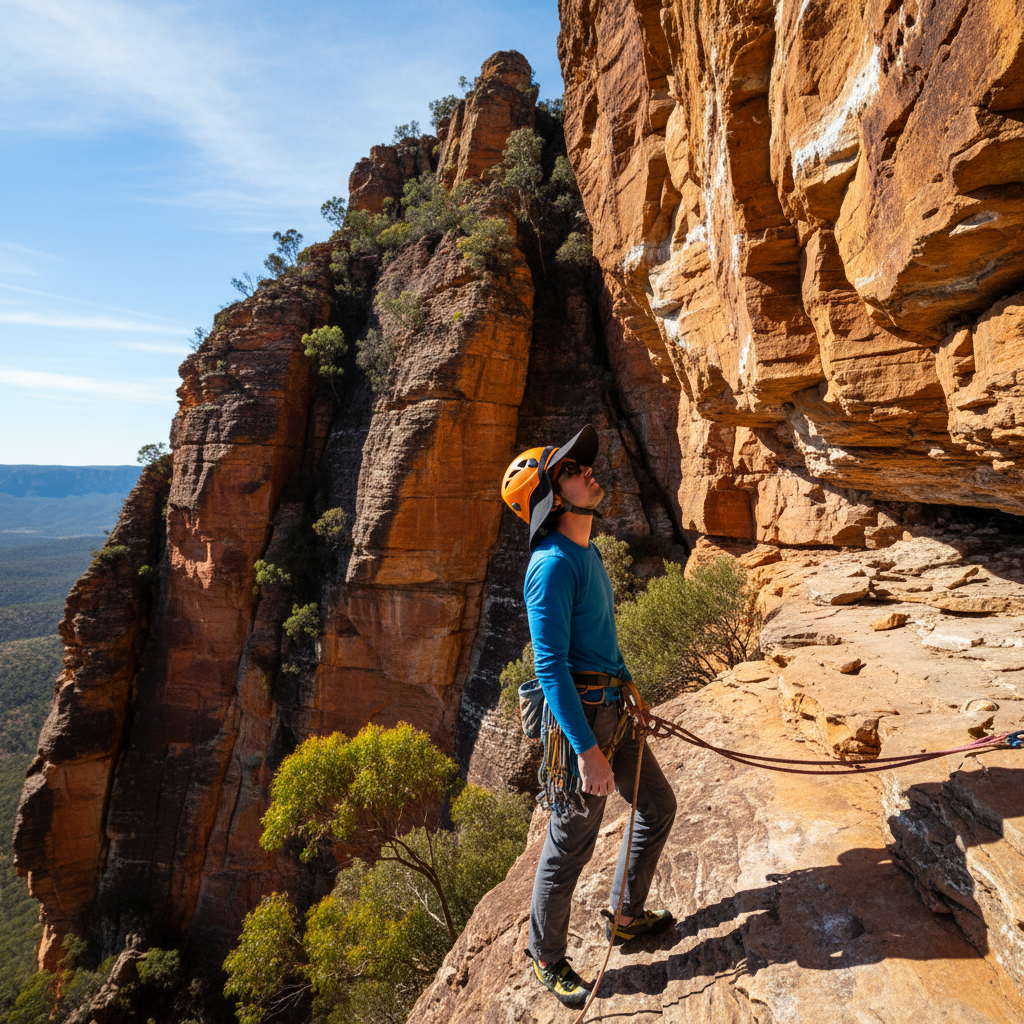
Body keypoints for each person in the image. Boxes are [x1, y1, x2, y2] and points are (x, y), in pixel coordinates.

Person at [500, 424, 678, 1008]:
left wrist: (630, 684)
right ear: (552, 498)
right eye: (574, 471)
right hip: (584, 725)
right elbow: (550, 668)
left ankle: (625, 915)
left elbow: (600, 637)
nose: (589, 473)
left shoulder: (586, 551)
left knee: (657, 804)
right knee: (569, 845)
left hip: (612, 709)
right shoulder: (550, 565)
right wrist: (587, 751)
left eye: (583, 467)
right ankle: (546, 957)